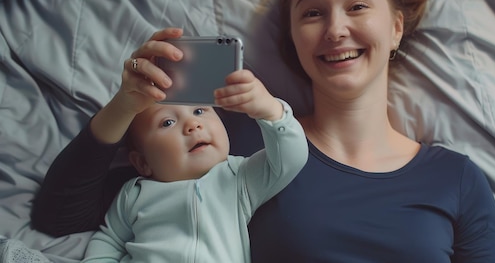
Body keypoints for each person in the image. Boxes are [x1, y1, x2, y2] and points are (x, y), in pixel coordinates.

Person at [32, 0, 495, 261]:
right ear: (294, 40)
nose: (336, 29)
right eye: (313, 12)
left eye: (358, 6)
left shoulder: (455, 180)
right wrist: (125, 104)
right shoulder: (234, 140)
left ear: (397, 28)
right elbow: (62, 218)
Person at [37, 27, 308, 263]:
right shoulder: (134, 194)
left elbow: (290, 159)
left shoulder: (238, 177)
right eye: (167, 123)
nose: (192, 125)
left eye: (201, 111)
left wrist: (271, 111)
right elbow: (109, 239)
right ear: (141, 162)